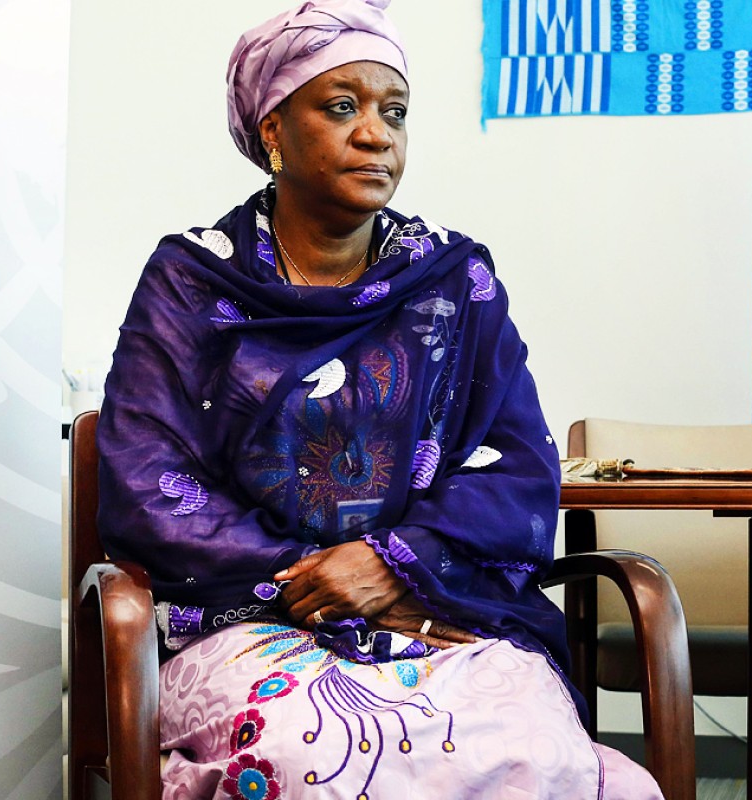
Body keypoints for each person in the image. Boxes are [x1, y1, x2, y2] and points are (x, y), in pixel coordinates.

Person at [96, 1, 663, 797]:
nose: (376, 135)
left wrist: (391, 565)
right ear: (272, 129)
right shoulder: (191, 283)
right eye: (341, 107)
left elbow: (517, 466)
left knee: (532, 752)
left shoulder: (454, 283)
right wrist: (318, 580)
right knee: (311, 759)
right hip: (247, 619)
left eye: (394, 112)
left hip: (436, 608)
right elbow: (147, 482)